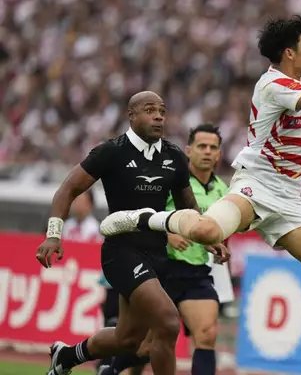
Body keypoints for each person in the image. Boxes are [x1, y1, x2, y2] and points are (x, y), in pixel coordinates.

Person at [99, 16, 301, 374]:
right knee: (206, 232)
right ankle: (140, 218)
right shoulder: (272, 84)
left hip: (289, 200)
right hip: (256, 187)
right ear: (289, 52)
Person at [36, 91, 229, 375]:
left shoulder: (174, 155)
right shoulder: (111, 152)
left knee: (126, 339)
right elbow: (69, 189)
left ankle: (66, 356)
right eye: (150, 110)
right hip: (121, 254)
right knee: (168, 322)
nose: (158, 116)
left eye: (162, 111)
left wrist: (209, 237)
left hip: (157, 255)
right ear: (132, 115)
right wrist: (54, 234)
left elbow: (189, 205)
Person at [99, 124, 233, 375]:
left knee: (207, 334)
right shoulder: (171, 180)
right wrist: (167, 234)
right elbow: (144, 215)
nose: (207, 151)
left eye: (212, 147)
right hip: (161, 270)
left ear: (219, 154)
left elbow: (222, 232)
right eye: (201, 146)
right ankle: (110, 368)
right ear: (188, 151)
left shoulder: (224, 192)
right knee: (144, 346)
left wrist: (222, 254)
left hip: (196, 273)